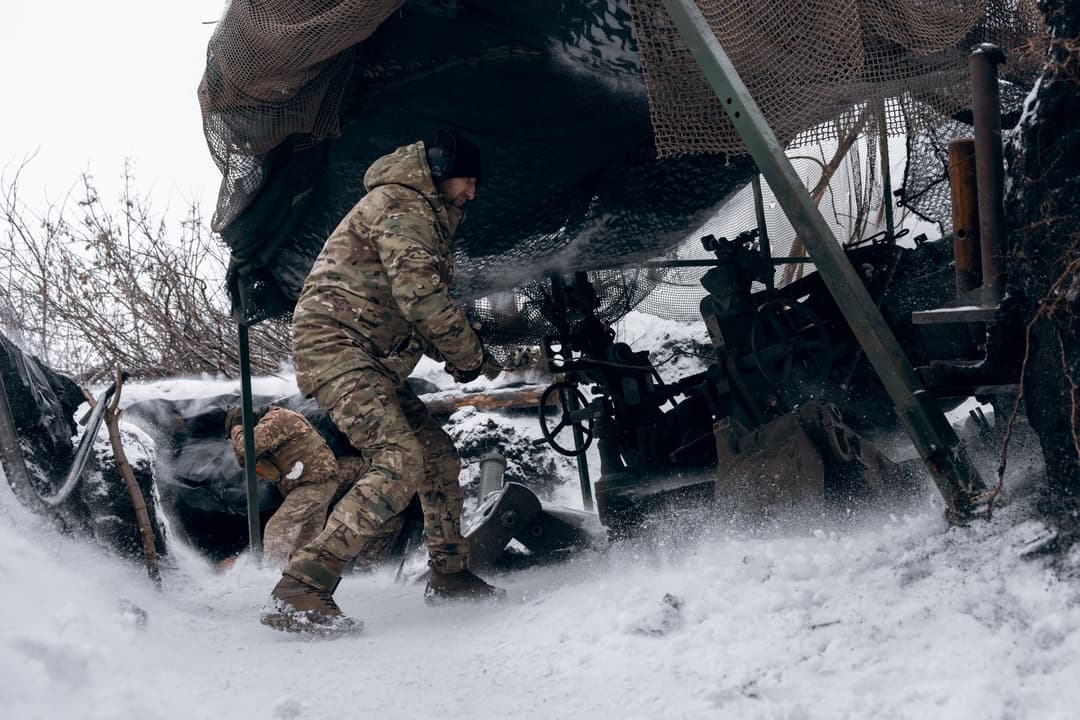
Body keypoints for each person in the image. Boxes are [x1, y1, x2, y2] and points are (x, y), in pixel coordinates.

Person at [262, 129, 504, 637]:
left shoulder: (424, 213)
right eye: (467, 179)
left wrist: (470, 359)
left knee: (436, 458)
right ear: (440, 170)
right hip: (337, 349)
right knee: (399, 460)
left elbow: (412, 311)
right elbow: (421, 299)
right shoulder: (401, 203)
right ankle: (301, 586)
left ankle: (449, 575)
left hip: (369, 358)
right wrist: (470, 353)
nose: (472, 192)